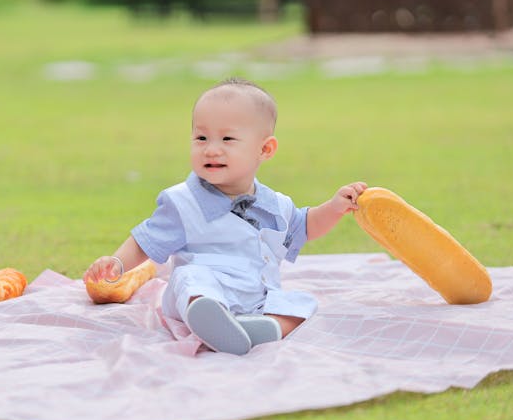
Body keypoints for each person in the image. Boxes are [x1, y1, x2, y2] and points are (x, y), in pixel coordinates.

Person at [84, 78, 367, 355]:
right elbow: (146, 241)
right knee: (189, 277)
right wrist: (117, 262)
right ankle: (208, 318)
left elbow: (306, 226)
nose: (211, 148)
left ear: (264, 149)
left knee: (302, 304)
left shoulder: (275, 205)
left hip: (256, 298)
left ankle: (265, 327)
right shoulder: (183, 202)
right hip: (204, 290)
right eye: (201, 137)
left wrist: (333, 207)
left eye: (227, 138)